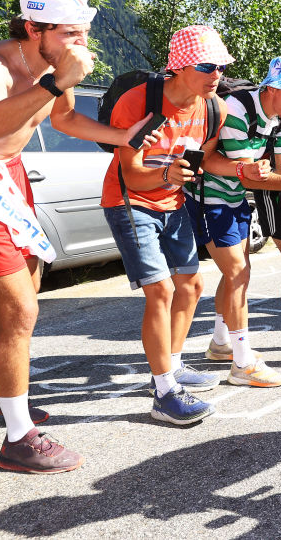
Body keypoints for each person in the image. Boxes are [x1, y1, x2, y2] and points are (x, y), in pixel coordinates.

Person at [0, 0, 161, 472]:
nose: (78, 45)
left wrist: (121, 135)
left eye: (82, 33)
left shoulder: (49, 64)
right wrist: (55, 82)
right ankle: (18, 439)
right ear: (32, 28)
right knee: (19, 307)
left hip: (11, 174)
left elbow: (63, 120)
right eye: (68, 33)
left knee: (32, 283)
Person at [102, 25, 268, 426]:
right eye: (208, 66)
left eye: (222, 67)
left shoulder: (214, 108)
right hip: (131, 200)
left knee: (191, 286)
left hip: (173, 200)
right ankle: (163, 392)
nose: (218, 75)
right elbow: (132, 174)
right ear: (178, 67)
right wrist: (167, 177)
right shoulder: (138, 101)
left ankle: (172, 366)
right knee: (158, 291)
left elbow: (205, 160)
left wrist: (241, 168)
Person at [184, 56, 281, 386]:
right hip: (208, 198)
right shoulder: (236, 109)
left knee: (238, 271)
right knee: (238, 273)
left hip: (236, 198)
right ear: (270, 89)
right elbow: (250, 176)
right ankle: (242, 364)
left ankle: (220, 343)